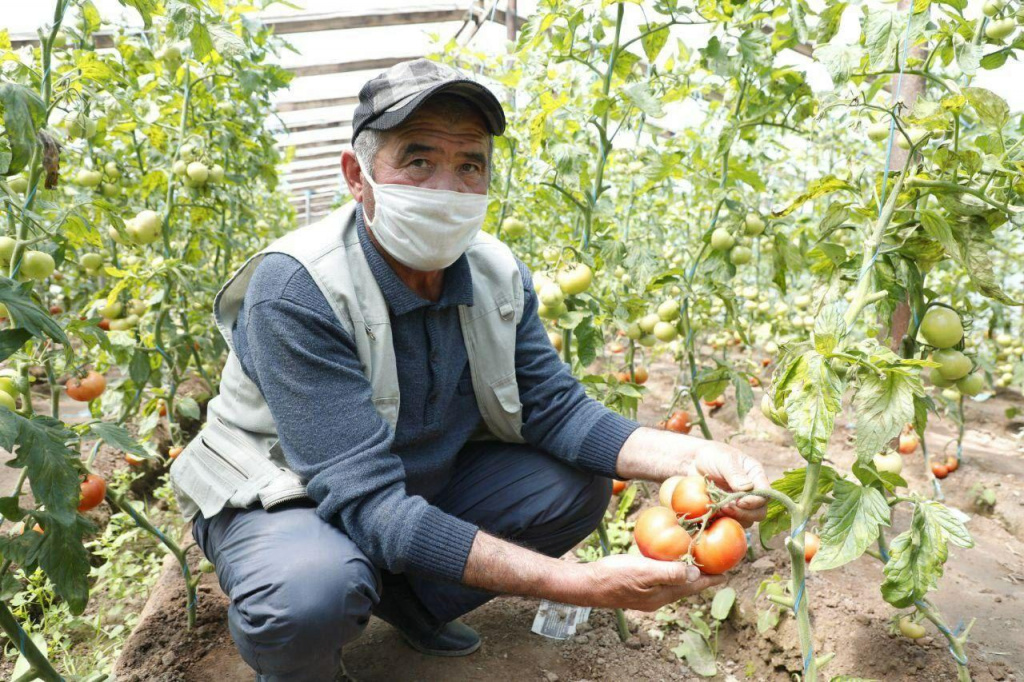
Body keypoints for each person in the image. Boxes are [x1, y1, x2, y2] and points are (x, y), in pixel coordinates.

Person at [169, 58, 770, 682]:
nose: (446, 189)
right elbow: (369, 503)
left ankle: (409, 602)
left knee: (574, 484)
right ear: (357, 175)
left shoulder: (495, 272)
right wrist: (579, 583)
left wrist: (694, 459)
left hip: (407, 483)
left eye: (470, 165)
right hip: (285, 494)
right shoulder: (297, 288)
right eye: (419, 161)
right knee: (310, 595)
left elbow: (556, 409)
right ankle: (299, 664)